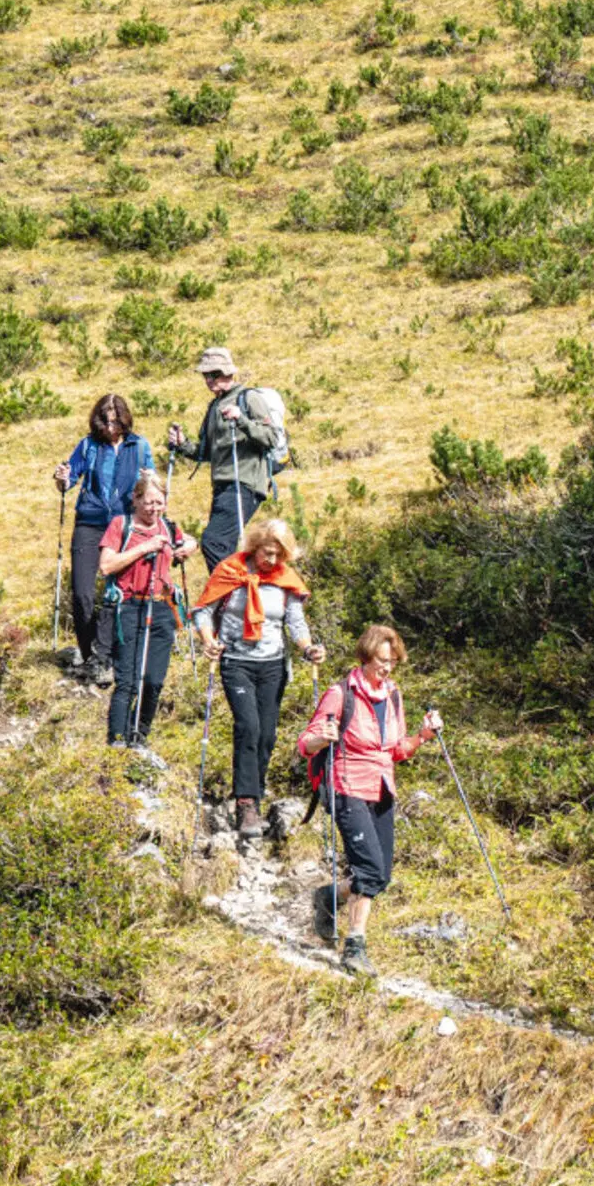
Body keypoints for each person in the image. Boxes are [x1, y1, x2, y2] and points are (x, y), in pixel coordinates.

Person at [297, 625, 442, 977]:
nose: (387, 668)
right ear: (365, 657)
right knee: (369, 870)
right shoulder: (340, 694)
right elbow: (305, 744)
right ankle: (355, 947)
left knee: (382, 876)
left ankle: (329, 896)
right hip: (346, 787)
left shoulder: (392, 695)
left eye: (392, 661)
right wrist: (321, 738)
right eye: (381, 661)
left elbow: (396, 750)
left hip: (381, 788)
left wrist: (423, 736)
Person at [192, 518, 324, 839]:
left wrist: (308, 648)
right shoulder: (230, 571)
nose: (272, 560)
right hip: (236, 661)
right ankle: (246, 802)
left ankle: (256, 790)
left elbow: (295, 622)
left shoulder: (285, 579)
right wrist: (208, 640)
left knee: (266, 735)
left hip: (273, 665)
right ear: (254, 548)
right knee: (248, 727)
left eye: (279, 554)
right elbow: (203, 610)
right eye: (267, 552)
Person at [52, 394, 154, 685]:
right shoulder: (88, 445)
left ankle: (112, 654)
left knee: (120, 594)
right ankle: (91, 656)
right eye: (106, 422)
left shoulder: (139, 446)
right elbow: (68, 481)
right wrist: (62, 477)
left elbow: (152, 486)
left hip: (123, 525)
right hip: (89, 522)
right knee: (82, 593)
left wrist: (148, 479)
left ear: (125, 419)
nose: (111, 428)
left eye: (116, 422)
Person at [99, 470, 198, 747]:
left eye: (159, 503)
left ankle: (140, 735)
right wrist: (145, 548)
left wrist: (188, 547)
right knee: (128, 680)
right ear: (135, 499)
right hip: (129, 608)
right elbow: (106, 565)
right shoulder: (121, 525)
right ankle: (117, 739)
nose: (154, 509)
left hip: (162, 608)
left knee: (154, 681)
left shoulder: (167, 526)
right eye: (149, 503)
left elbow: (189, 540)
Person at [166, 346, 277, 572]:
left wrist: (241, 419)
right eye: (205, 375)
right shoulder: (214, 406)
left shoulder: (249, 398)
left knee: (213, 541)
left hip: (244, 483)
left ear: (227, 372)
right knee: (223, 545)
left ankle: (229, 588)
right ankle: (233, 590)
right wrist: (182, 444)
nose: (209, 380)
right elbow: (207, 451)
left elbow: (270, 437)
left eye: (214, 374)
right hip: (221, 488)